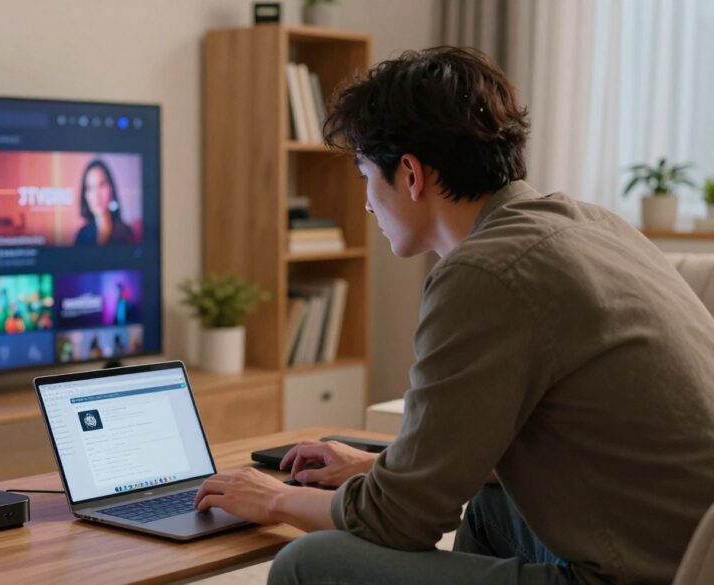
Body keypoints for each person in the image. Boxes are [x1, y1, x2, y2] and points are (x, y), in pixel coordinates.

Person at [194, 47, 714, 585]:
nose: (369, 205)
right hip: (690, 552)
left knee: (309, 564)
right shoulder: (594, 225)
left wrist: (276, 501)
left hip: (650, 575)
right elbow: (520, 445)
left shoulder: (486, 272)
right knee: (493, 508)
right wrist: (381, 469)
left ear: (412, 174)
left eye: (367, 176)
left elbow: (398, 522)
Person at [74, 159, 136, 246]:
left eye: (101, 185)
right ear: (85, 195)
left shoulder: (125, 233)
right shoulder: (82, 235)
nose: (96, 194)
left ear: (111, 189)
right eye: (90, 188)